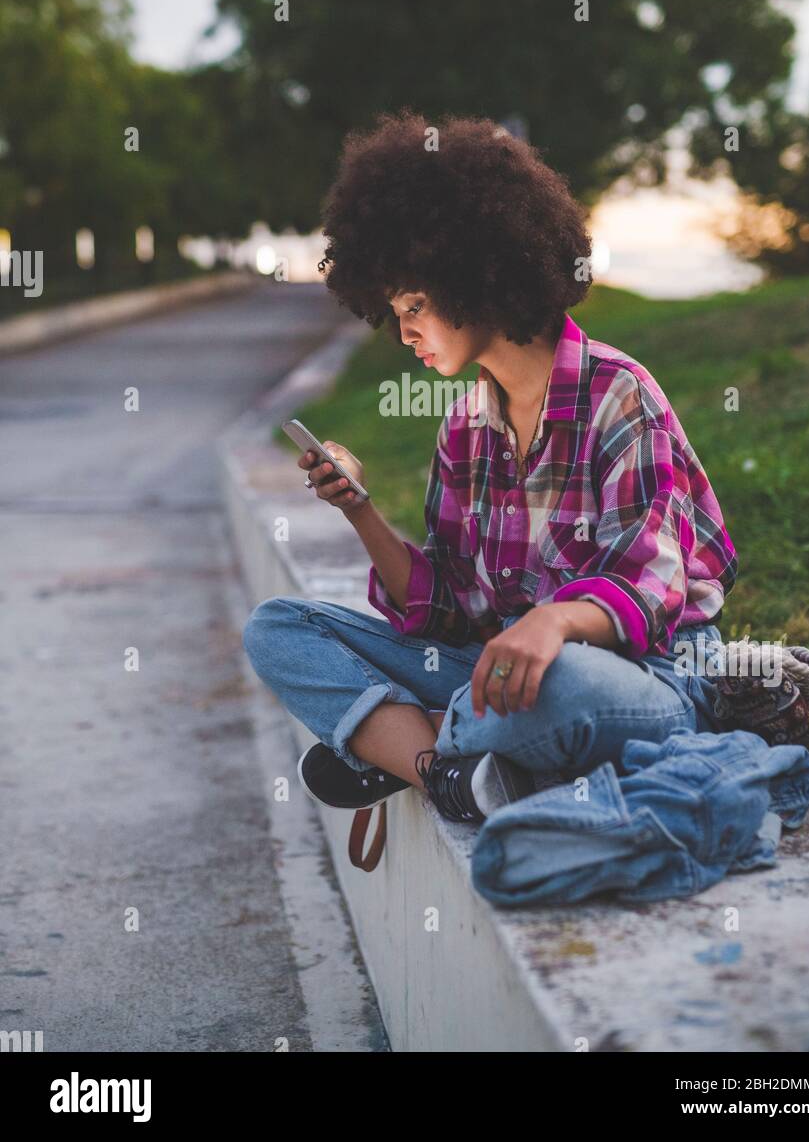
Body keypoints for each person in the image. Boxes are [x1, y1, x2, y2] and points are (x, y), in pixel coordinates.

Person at [243, 109, 738, 826]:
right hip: (496, 676)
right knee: (277, 629)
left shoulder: (619, 395)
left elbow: (651, 590)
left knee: (559, 684)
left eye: (416, 304)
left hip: (639, 675)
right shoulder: (465, 430)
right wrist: (358, 508)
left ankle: (394, 740)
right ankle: (447, 772)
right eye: (393, 310)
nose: (404, 330)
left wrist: (553, 625)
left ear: (478, 274)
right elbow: (448, 607)